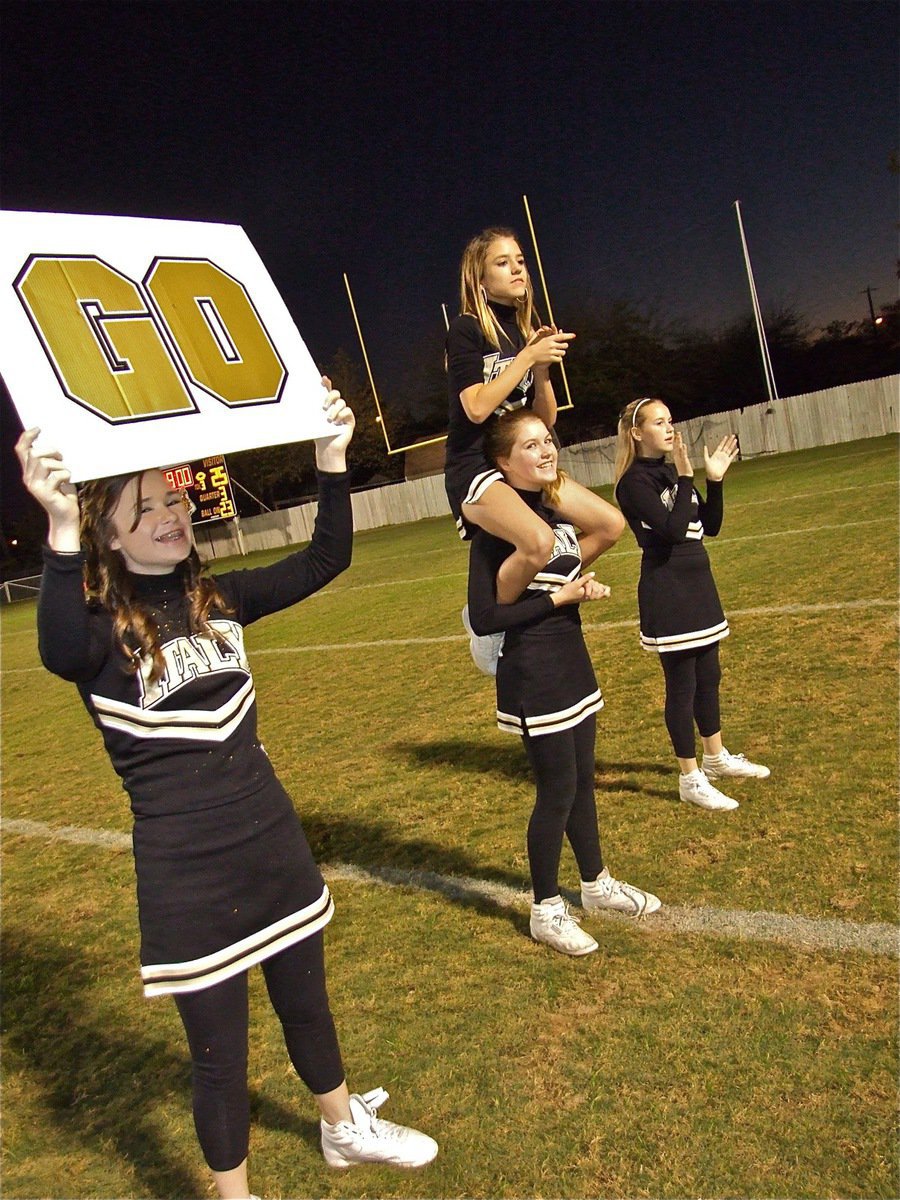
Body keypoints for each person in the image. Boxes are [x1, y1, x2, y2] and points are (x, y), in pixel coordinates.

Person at [14, 382, 437, 1200]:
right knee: (220, 1058)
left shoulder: (222, 598)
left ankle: (342, 1128)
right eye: (143, 508)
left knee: (308, 1006)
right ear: (109, 534)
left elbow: (326, 559)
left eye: (172, 497)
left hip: (271, 840)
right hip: (189, 874)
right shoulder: (97, 634)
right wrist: (60, 529)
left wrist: (332, 459)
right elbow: (57, 651)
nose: (170, 513)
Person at [465, 408, 661, 957]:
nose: (546, 450)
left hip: (572, 663)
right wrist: (558, 599)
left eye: (547, 440)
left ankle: (595, 884)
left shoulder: (554, 515)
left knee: (581, 783)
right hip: (534, 675)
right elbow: (485, 617)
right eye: (529, 446)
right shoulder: (494, 532)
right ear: (503, 464)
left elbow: (565, 575)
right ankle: (545, 909)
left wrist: (580, 590)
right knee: (556, 792)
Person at [445, 227, 624, 620]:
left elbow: (543, 421)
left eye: (521, 261)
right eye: (502, 262)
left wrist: (541, 370)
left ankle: (542, 584)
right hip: (477, 466)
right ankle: (493, 621)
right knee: (539, 541)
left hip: (523, 459)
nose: (517, 270)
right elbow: (475, 408)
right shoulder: (466, 329)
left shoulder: (524, 332)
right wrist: (527, 358)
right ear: (479, 278)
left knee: (609, 525)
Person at [613, 397, 770, 812]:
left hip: (699, 585)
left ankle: (715, 758)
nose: (670, 428)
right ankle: (690, 778)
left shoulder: (669, 471)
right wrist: (685, 477)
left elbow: (709, 526)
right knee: (682, 687)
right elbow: (673, 530)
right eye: (659, 422)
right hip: (668, 591)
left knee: (709, 676)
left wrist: (713, 480)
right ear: (636, 433)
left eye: (670, 420)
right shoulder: (633, 483)